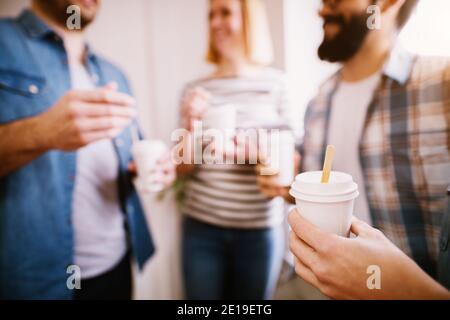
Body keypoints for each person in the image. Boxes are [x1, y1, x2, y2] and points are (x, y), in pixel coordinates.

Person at [258, 0, 450, 296]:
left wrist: (397, 289)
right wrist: (288, 188)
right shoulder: (318, 102)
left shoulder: (441, 85)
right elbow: (329, 196)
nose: (322, 9)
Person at [0, 0, 175, 300]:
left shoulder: (114, 73)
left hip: (116, 268)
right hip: (32, 282)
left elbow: (132, 152)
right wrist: (40, 132)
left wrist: (155, 166)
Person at [177, 0, 295, 300]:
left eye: (225, 13)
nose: (216, 23)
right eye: (211, 15)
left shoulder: (277, 84)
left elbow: (291, 164)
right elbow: (182, 168)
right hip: (202, 229)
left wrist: (256, 154)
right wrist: (190, 123)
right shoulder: (196, 88)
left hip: (259, 232)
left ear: (249, 19)